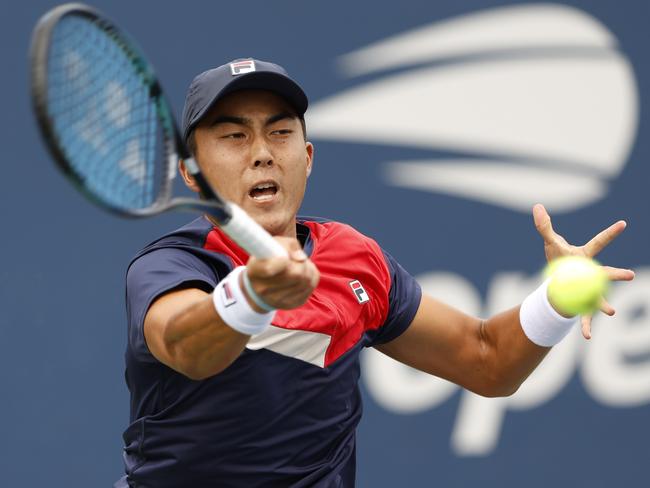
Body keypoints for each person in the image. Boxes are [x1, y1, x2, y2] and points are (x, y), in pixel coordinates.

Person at [115, 58, 634, 488]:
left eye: (280, 133)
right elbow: (187, 346)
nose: (262, 154)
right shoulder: (173, 265)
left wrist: (559, 299)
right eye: (233, 135)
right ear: (191, 172)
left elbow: (487, 360)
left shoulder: (354, 256)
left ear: (308, 157)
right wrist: (252, 294)